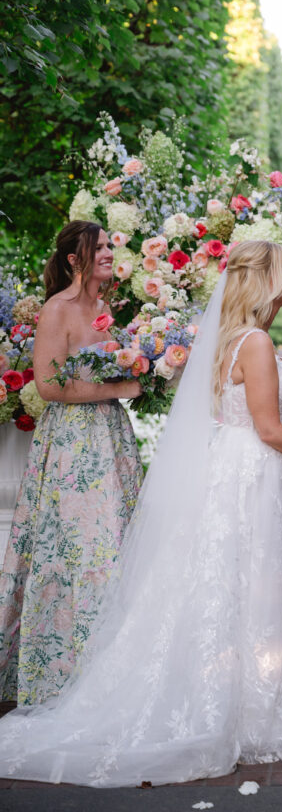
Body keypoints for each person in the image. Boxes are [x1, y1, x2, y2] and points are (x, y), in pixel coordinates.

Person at [0, 240, 282, 786]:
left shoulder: (235, 339)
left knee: (233, 590)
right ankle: (240, 713)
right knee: (244, 587)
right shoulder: (254, 342)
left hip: (248, 470)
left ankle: (250, 706)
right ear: (263, 279)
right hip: (253, 471)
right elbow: (268, 427)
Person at [0, 221, 143, 706]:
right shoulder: (55, 310)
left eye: (108, 245)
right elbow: (48, 386)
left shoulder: (112, 309)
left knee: (121, 548)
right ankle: (64, 675)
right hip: (70, 448)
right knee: (83, 555)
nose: (108, 252)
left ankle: (120, 671)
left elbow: (132, 366)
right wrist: (118, 388)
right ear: (74, 259)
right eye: (98, 247)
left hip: (113, 440)